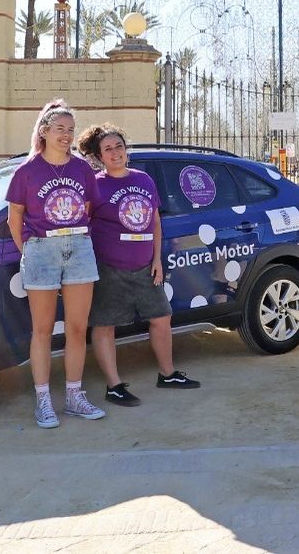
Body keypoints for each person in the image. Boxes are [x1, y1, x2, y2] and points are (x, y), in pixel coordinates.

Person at [77, 122, 200, 407]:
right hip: (109, 268)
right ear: (100, 156)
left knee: (161, 317)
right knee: (105, 325)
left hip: (146, 266)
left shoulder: (143, 179)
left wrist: (157, 259)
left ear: (126, 150)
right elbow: (82, 222)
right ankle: (114, 385)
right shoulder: (95, 185)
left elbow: (154, 221)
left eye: (119, 146)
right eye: (108, 149)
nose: (115, 152)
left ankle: (167, 374)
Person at [5, 99, 105, 427]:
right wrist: (29, 249)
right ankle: (44, 400)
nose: (66, 135)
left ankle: (75, 396)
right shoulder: (26, 171)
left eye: (71, 130)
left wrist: (73, 235)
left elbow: (89, 207)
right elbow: (14, 217)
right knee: (43, 330)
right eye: (59, 129)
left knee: (77, 328)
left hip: (78, 247)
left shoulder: (81, 169)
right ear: (44, 131)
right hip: (41, 251)